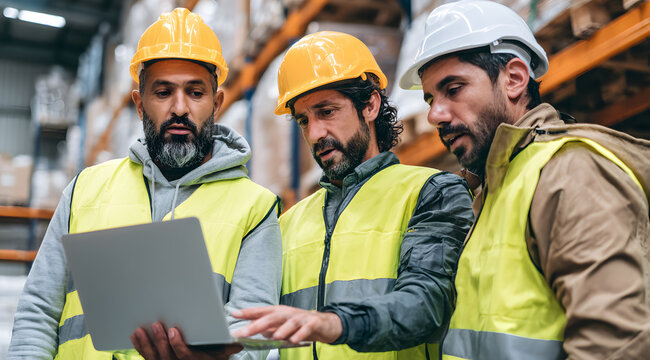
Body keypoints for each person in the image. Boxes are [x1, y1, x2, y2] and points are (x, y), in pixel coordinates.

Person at [8, 8, 281, 360]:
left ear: (217, 103)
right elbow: (38, 313)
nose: (179, 108)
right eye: (163, 92)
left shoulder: (255, 209)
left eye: (195, 93)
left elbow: (252, 342)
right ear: (139, 104)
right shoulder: (85, 190)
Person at [399, 1, 650, 359]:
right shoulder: (495, 190)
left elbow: (615, 345)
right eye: (430, 99)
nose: (434, 115)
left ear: (514, 78)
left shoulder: (569, 173)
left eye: (452, 89)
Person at [231, 31, 475, 360]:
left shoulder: (431, 192)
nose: (315, 133)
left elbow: (425, 303)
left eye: (327, 111)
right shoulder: (286, 224)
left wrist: (335, 324)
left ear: (370, 105)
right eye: (304, 120)